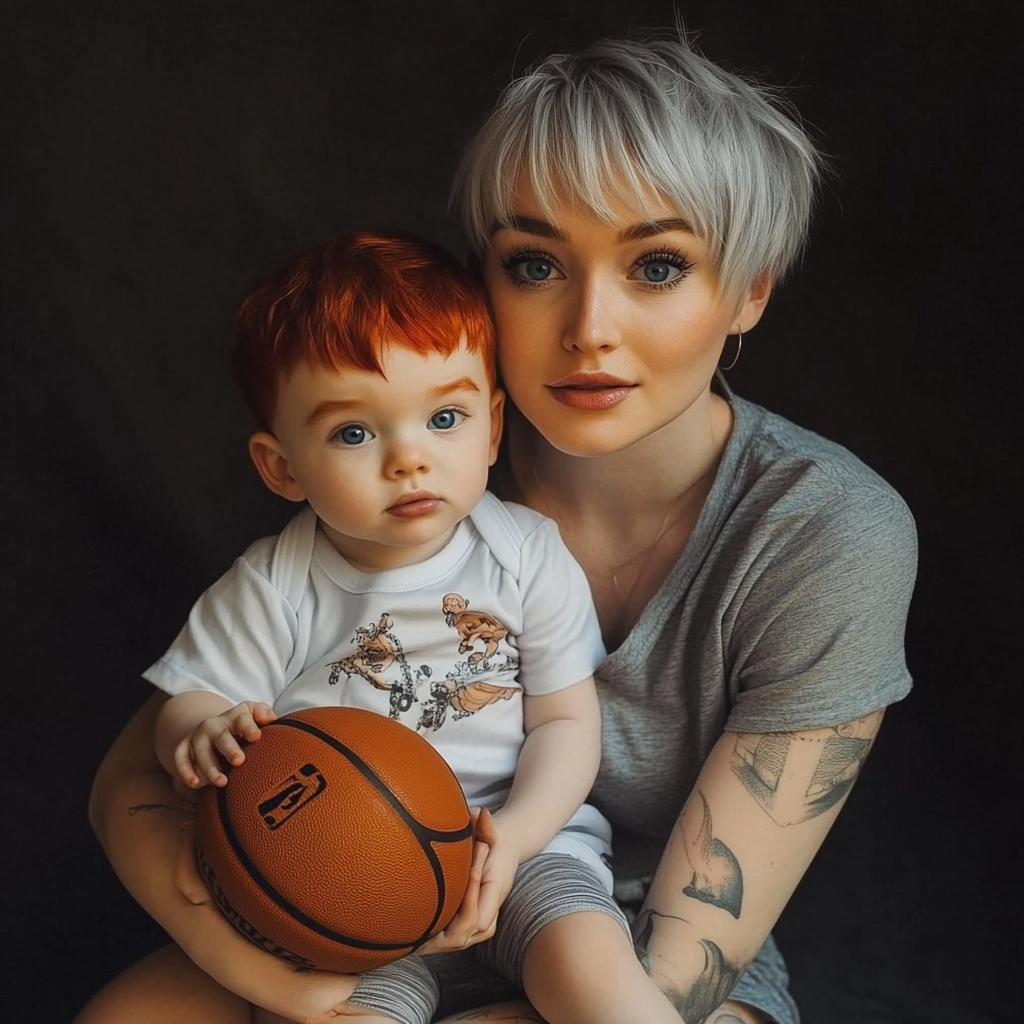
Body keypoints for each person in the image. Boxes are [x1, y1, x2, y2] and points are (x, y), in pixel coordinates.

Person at [76, 30, 917, 1024]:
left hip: (610, 930)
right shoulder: (403, 477)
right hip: (349, 911)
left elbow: (685, 957)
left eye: (655, 264)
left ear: (748, 290)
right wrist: (285, 989)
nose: (588, 325)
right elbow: (134, 782)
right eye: (533, 264)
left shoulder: (822, 530)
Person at [137, 228, 679, 1024]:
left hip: (525, 857)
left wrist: (518, 835)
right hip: (349, 889)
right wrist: (200, 731)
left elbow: (566, 721)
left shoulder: (523, 554)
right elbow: (188, 703)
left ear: (494, 427)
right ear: (282, 466)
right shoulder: (274, 584)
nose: (409, 459)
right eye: (355, 433)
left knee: (598, 978)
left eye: (446, 418)